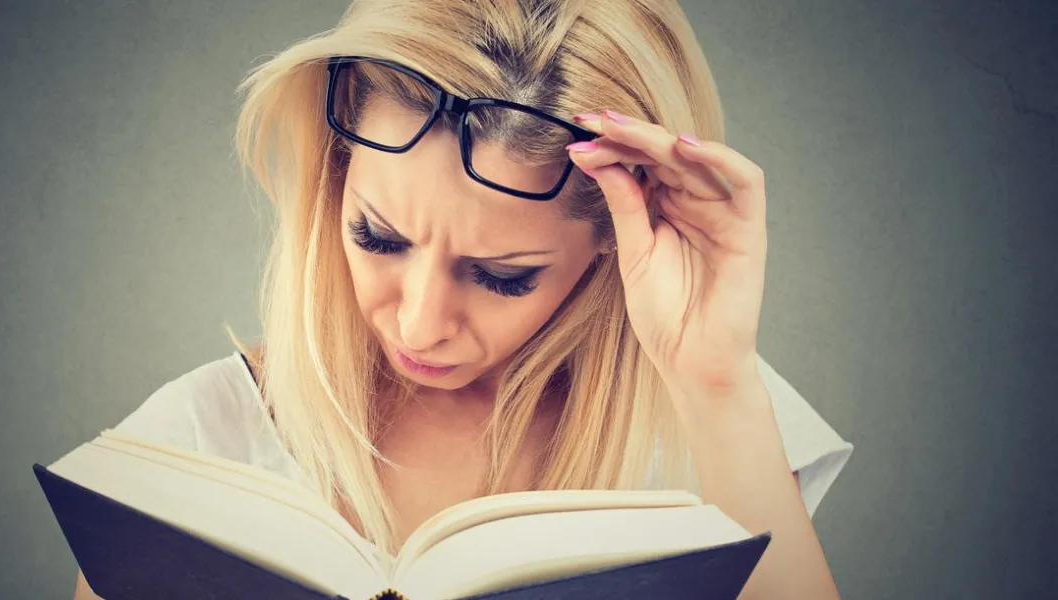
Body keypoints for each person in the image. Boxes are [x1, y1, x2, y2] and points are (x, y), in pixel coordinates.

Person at [73, 1, 854, 598]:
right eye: (377, 237)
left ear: (619, 238)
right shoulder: (191, 447)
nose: (419, 324)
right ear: (334, 178)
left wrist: (716, 386)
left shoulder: (715, 432)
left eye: (502, 275)